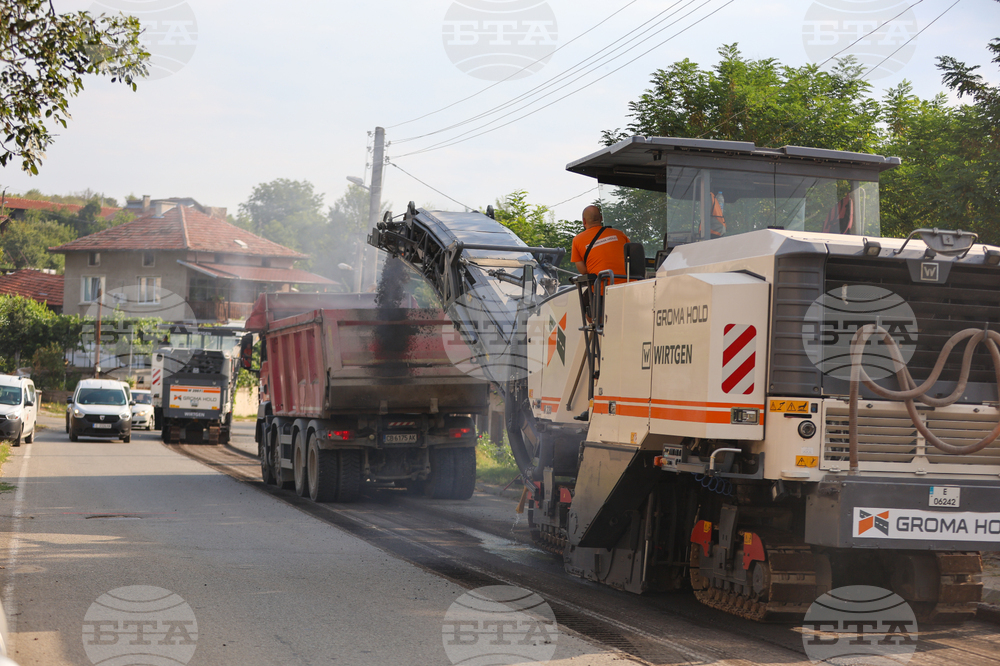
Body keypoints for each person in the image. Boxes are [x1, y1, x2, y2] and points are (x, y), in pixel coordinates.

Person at [571, 205, 630, 278]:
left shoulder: (577, 240)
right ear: (601, 218)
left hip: (602, 286)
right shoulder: (619, 234)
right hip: (630, 282)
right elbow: (633, 258)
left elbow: (583, 271)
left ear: (584, 221)